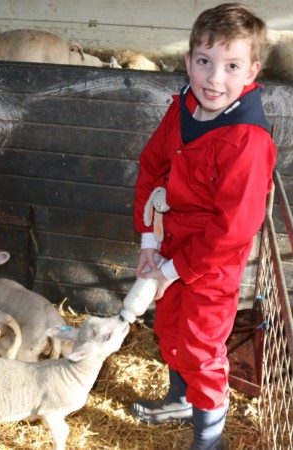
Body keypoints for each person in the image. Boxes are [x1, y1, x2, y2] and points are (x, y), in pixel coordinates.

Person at [130, 4, 277, 450]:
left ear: (252, 70)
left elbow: (234, 228)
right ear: (189, 59)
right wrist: (149, 242)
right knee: (169, 331)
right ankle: (179, 399)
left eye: (231, 66)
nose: (214, 78)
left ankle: (208, 439)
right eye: (204, 62)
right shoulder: (183, 109)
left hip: (209, 267)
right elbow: (152, 166)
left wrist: (172, 269)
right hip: (169, 248)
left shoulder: (248, 140)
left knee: (201, 347)